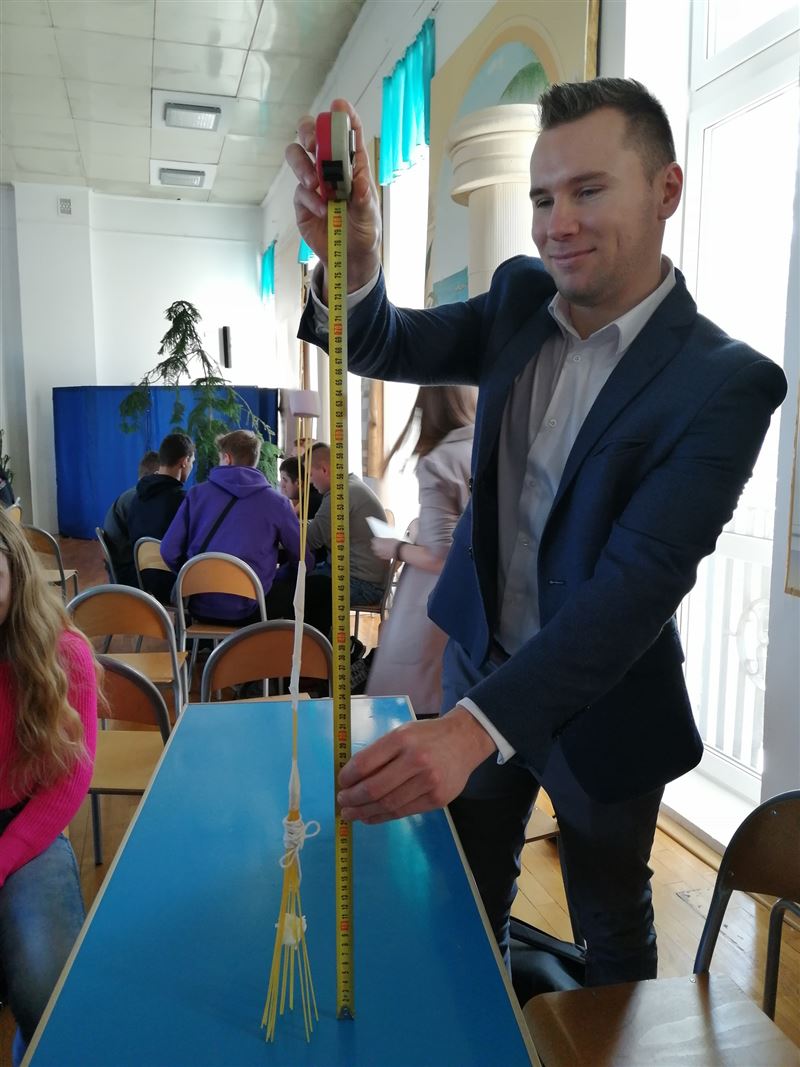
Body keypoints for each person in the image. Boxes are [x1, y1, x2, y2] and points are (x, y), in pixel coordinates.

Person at [286, 81, 788, 985]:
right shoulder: (521, 296)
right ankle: (472, 1028)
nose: (559, 223)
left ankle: (610, 1040)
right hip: (483, 655)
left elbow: (637, 584)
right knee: (468, 884)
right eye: (543, 196)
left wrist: (471, 729)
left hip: (605, 694)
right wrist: (355, 262)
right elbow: (386, 343)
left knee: (610, 915)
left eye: (588, 190)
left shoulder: (726, 383)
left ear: (667, 189)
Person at [0, 508, 98, 1066]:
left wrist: (4, 856)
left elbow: (67, 780)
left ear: (16, 574)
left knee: (49, 997)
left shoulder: (63, 655)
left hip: (27, 824)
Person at [367, 386, 476, 717]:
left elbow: (441, 555)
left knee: (411, 704)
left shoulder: (439, 461)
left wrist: (396, 548)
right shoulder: (486, 446)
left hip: (434, 601)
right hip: (477, 596)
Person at [160, 429, 311, 625]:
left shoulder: (196, 495)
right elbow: (304, 560)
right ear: (255, 459)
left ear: (227, 458)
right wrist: (275, 575)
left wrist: (193, 574)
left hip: (199, 605)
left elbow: (169, 550)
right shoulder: (277, 503)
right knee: (312, 587)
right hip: (253, 607)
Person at [299, 443, 390, 638]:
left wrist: (284, 529)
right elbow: (319, 526)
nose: (309, 481)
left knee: (300, 591)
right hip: (367, 578)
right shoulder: (350, 485)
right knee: (304, 584)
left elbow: (312, 539)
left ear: (324, 470)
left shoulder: (340, 494)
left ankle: (319, 648)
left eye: (310, 474)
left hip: (362, 584)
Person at [126, 433, 195, 603]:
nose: (191, 467)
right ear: (184, 461)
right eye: (192, 462)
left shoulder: (137, 497)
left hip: (142, 581)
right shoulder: (184, 501)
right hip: (176, 585)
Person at [102, 449, 159, 586]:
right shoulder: (139, 500)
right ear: (157, 475)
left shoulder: (130, 495)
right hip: (130, 573)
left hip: (119, 567)